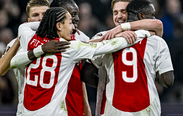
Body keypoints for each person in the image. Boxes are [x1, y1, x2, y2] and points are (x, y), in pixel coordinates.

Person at [10, 7, 151, 116]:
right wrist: (142, 33)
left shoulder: (29, 39)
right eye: (70, 22)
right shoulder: (69, 47)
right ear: (59, 26)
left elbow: (21, 36)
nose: (73, 27)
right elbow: (110, 45)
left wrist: (40, 49)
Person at [92, 0, 174, 116]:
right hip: (146, 110)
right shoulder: (153, 38)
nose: (119, 16)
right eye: (115, 12)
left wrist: (110, 85)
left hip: (112, 109)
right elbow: (168, 80)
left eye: (123, 12)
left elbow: (87, 73)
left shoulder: (104, 39)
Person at [0, 0, 69, 116]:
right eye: (35, 15)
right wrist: (19, 39)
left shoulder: (61, 42)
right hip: (26, 110)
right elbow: (1, 69)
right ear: (28, 20)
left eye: (44, 14)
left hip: (55, 111)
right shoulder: (17, 44)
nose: (41, 18)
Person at [50, 0, 91, 116]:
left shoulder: (80, 37)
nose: (77, 19)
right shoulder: (41, 41)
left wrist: (86, 107)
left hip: (75, 105)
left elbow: (80, 76)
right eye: (73, 15)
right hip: (52, 108)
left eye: (77, 15)